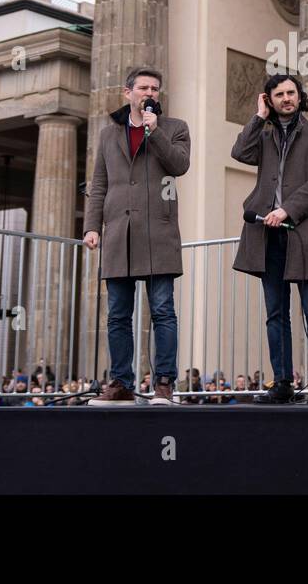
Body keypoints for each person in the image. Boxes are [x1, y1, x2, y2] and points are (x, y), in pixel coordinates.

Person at [83, 66, 191, 405]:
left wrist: (154, 131)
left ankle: (164, 383)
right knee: (117, 314)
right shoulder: (108, 134)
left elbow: (179, 165)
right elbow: (99, 182)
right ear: (127, 93)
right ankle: (121, 383)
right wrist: (91, 225)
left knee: (162, 310)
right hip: (118, 233)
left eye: (155, 89)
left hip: (158, 231)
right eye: (143, 87)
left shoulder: (175, 128)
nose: (150, 93)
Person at [232, 73, 308, 404]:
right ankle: (282, 383)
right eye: (278, 94)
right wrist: (257, 117)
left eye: (291, 92)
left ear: (299, 95)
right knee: (276, 314)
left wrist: (288, 210)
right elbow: (239, 152)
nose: (286, 98)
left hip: (303, 234)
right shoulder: (262, 137)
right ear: (269, 99)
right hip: (266, 235)